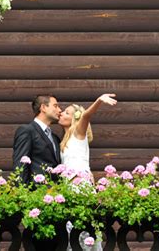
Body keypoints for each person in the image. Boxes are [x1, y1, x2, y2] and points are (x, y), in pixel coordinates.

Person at [58, 93, 117, 251]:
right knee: (72, 231)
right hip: (69, 188)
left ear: (74, 119)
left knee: (84, 229)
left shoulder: (78, 133)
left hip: (80, 188)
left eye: (66, 112)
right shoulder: (65, 139)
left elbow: (86, 116)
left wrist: (98, 100)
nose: (61, 113)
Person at [12, 94, 62, 184]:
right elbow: (20, 165)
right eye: (55, 106)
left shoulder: (55, 138)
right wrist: (23, 192)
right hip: (35, 192)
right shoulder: (27, 131)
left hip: (53, 193)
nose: (60, 110)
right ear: (43, 107)